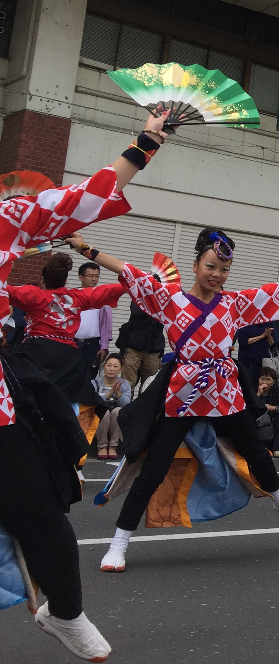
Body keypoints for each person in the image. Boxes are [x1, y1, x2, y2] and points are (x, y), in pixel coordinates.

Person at [0, 113, 170, 660]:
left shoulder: (5, 222)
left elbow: (79, 199)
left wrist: (143, 144)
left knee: (47, 518)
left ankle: (66, 612)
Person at [72, 226, 279, 574]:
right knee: (153, 469)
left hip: (224, 390)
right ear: (197, 263)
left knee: (254, 448)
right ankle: (119, 543)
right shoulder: (170, 299)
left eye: (224, 270)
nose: (217, 275)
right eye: (211, 266)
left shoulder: (233, 303)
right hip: (184, 394)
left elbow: (269, 292)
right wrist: (88, 250)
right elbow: (129, 272)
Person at [9, 252, 127, 414]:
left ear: (42, 280)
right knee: (68, 400)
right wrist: (146, 278)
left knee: (23, 393)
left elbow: (5, 290)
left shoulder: (32, 294)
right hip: (68, 358)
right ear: (65, 280)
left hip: (37, 352)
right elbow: (109, 290)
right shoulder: (77, 297)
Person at [115, 299, 165, 396]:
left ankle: (144, 408)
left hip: (153, 349)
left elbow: (162, 325)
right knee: (128, 381)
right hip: (133, 347)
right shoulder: (138, 295)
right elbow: (136, 311)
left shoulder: (161, 299)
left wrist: (160, 355)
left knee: (150, 383)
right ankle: (126, 406)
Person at [74, 261, 113, 380]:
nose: (94, 279)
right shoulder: (73, 295)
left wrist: (104, 346)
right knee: (72, 375)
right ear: (81, 277)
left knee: (89, 377)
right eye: (91, 276)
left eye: (97, 276)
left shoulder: (102, 296)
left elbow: (106, 324)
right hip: (73, 343)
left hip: (93, 345)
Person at [92, 353, 131, 460]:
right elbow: (93, 402)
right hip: (99, 416)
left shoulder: (125, 384)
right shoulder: (94, 383)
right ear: (104, 366)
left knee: (118, 411)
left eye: (115, 366)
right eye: (109, 365)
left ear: (121, 369)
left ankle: (113, 446)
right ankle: (102, 446)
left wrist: (118, 393)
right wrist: (109, 394)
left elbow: (126, 405)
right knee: (103, 412)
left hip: (116, 415)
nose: (111, 369)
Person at [253, 367, 279, 458]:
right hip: (257, 418)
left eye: (268, 379)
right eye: (262, 379)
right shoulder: (253, 390)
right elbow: (249, 406)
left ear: (273, 382)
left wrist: (275, 408)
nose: (264, 382)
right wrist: (258, 395)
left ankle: (277, 449)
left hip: (272, 418)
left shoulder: (276, 391)